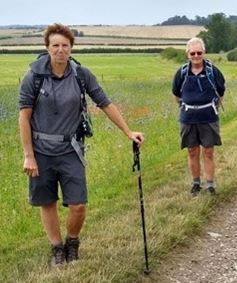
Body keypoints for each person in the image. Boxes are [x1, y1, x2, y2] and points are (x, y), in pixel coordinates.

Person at [18, 23, 144, 267]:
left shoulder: (81, 74)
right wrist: (28, 155)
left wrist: (129, 132)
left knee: (78, 205)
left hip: (71, 150)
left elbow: (105, 103)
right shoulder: (33, 76)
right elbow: (23, 116)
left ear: (71, 48)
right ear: (47, 48)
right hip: (40, 151)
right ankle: (57, 248)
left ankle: (72, 243)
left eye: (65, 46)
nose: (60, 50)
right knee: (47, 202)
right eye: (55, 45)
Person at [172, 37, 225, 196]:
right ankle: (196, 183)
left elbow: (221, 92)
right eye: (193, 53)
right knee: (192, 151)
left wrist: (212, 107)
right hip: (188, 119)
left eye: (199, 52)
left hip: (208, 117)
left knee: (208, 152)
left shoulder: (212, 71)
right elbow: (176, 93)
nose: (196, 56)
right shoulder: (181, 72)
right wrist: (184, 107)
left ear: (204, 53)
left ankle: (210, 185)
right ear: (187, 54)